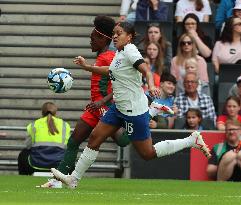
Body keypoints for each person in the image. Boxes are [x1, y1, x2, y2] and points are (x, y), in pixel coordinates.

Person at [51, 22, 211, 189]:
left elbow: (146, 70)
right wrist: (87, 67)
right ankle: (74, 179)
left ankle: (191, 140)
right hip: (118, 108)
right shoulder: (119, 53)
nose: (114, 36)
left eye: (118, 33)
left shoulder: (130, 51)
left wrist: (152, 85)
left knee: (147, 153)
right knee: (94, 139)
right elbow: (110, 71)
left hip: (134, 111)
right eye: (113, 33)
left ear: (129, 37)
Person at [38, 16, 130, 188]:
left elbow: (121, 81)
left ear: (103, 38)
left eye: (93, 38)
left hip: (105, 107)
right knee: (74, 141)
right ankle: (58, 181)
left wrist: (103, 101)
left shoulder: (109, 57)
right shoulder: (102, 56)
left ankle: (147, 114)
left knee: (122, 141)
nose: (90, 42)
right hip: (94, 108)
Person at [17, 102, 71, 175]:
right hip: (58, 164)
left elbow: (28, 145)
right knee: (71, 155)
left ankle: (23, 178)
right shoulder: (65, 125)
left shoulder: (34, 124)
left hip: (36, 163)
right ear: (55, 112)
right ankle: (70, 179)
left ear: (42, 112)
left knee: (23, 154)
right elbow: (67, 146)